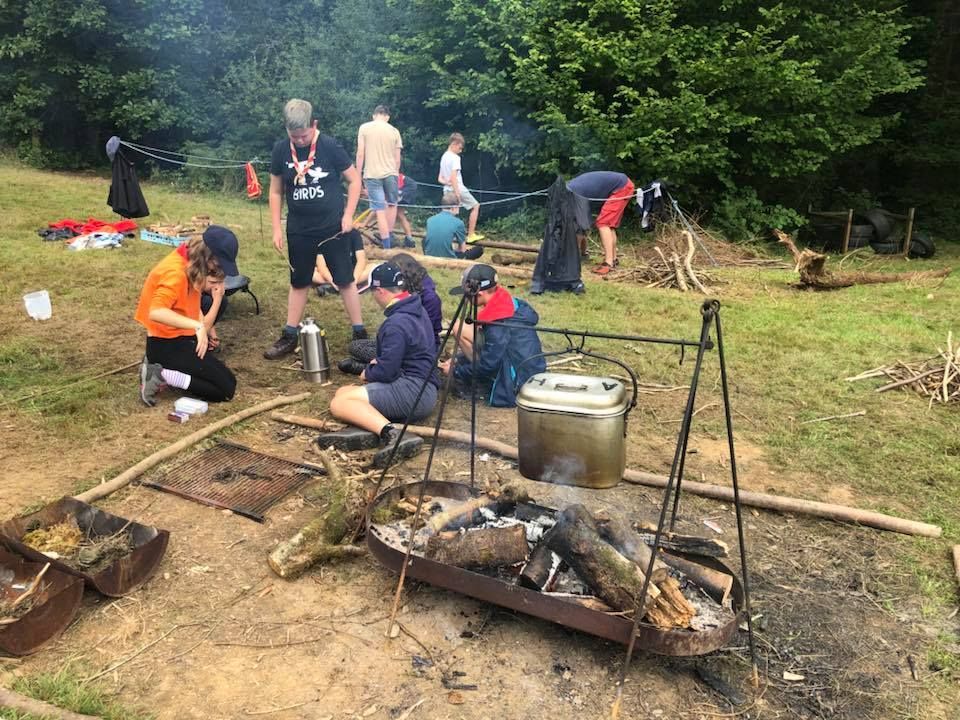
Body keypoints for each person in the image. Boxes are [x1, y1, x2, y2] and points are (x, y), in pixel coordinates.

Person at [265, 98, 365, 360]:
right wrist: (277, 228)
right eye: (294, 136)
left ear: (314, 124)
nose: (299, 140)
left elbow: (355, 181)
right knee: (299, 281)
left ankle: (360, 332)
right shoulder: (280, 150)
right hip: (299, 227)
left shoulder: (330, 146)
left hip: (333, 226)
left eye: (304, 135)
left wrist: (348, 215)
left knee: (344, 278)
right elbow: (276, 192)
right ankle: (289, 334)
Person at [329, 262, 440, 467]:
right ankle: (371, 424)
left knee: (339, 404)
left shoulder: (396, 322)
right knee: (343, 392)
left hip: (414, 392)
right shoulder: (417, 307)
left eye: (373, 292)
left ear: (380, 291)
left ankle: (393, 435)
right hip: (424, 386)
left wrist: (368, 372)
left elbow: (386, 372)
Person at [135, 226, 239, 405]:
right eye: (218, 264)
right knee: (225, 391)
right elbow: (156, 311)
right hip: (165, 344)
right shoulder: (175, 273)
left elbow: (191, 303)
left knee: (230, 382)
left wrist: (202, 327)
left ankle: (164, 371)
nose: (218, 269)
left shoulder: (191, 261)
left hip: (181, 338)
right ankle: (162, 375)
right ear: (208, 256)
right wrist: (197, 327)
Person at [439, 264, 545, 408]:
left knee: (459, 328)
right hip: (528, 368)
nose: (467, 299)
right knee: (461, 326)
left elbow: (489, 363)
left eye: (469, 295)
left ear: (480, 293)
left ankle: (486, 381)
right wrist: (458, 360)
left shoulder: (499, 322)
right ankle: (477, 371)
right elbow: (492, 347)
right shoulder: (506, 303)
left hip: (517, 380)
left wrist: (456, 371)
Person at [338, 253, 443, 374]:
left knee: (385, 354)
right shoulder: (404, 292)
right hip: (401, 341)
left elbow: (427, 334)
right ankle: (375, 365)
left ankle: (367, 368)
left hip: (417, 349)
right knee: (356, 346)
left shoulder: (429, 298)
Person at [566, 171, 635, 275]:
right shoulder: (571, 190)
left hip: (621, 187)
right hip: (623, 184)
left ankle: (608, 263)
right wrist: (582, 253)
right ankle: (613, 259)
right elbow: (581, 226)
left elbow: (580, 227)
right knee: (609, 226)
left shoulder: (573, 194)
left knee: (603, 223)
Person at [356, 105, 403, 248]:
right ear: (387, 117)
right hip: (391, 173)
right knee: (392, 204)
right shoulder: (394, 131)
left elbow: (360, 153)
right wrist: (395, 173)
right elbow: (397, 159)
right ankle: (389, 235)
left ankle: (386, 244)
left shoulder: (364, 128)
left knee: (379, 209)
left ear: (374, 115)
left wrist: (358, 175)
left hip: (372, 174)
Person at [438, 132, 483, 243]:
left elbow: (440, 178)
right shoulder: (455, 158)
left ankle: (446, 235)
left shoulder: (444, 156)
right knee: (475, 206)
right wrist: (457, 193)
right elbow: (453, 176)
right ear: (454, 143)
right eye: (460, 147)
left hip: (447, 189)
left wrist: (446, 182)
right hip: (457, 187)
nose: (461, 150)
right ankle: (471, 234)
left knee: (449, 213)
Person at [423, 193, 484, 260]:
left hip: (429, 255)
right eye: (459, 207)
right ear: (454, 207)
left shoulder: (430, 220)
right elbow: (462, 249)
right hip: (449, 258)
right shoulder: (458, 223)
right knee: (479, 249)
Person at [313, 229, 367, 297]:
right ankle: (338, 286)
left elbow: (361, 260)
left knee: (373, 267)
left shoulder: (354, 233)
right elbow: (322, 266)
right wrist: (332, 281)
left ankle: (333, 287)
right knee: (310, 273)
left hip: (351, 273)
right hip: (331, 273)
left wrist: (354, 281)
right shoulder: (321, 235)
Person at [396, 173, 418, 248]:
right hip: (405, 186)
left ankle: (388, 235)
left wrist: (365, 223)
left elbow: (376, 210)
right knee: (399, 214)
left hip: (408, 186)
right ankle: (409, 239)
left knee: (393, 210)